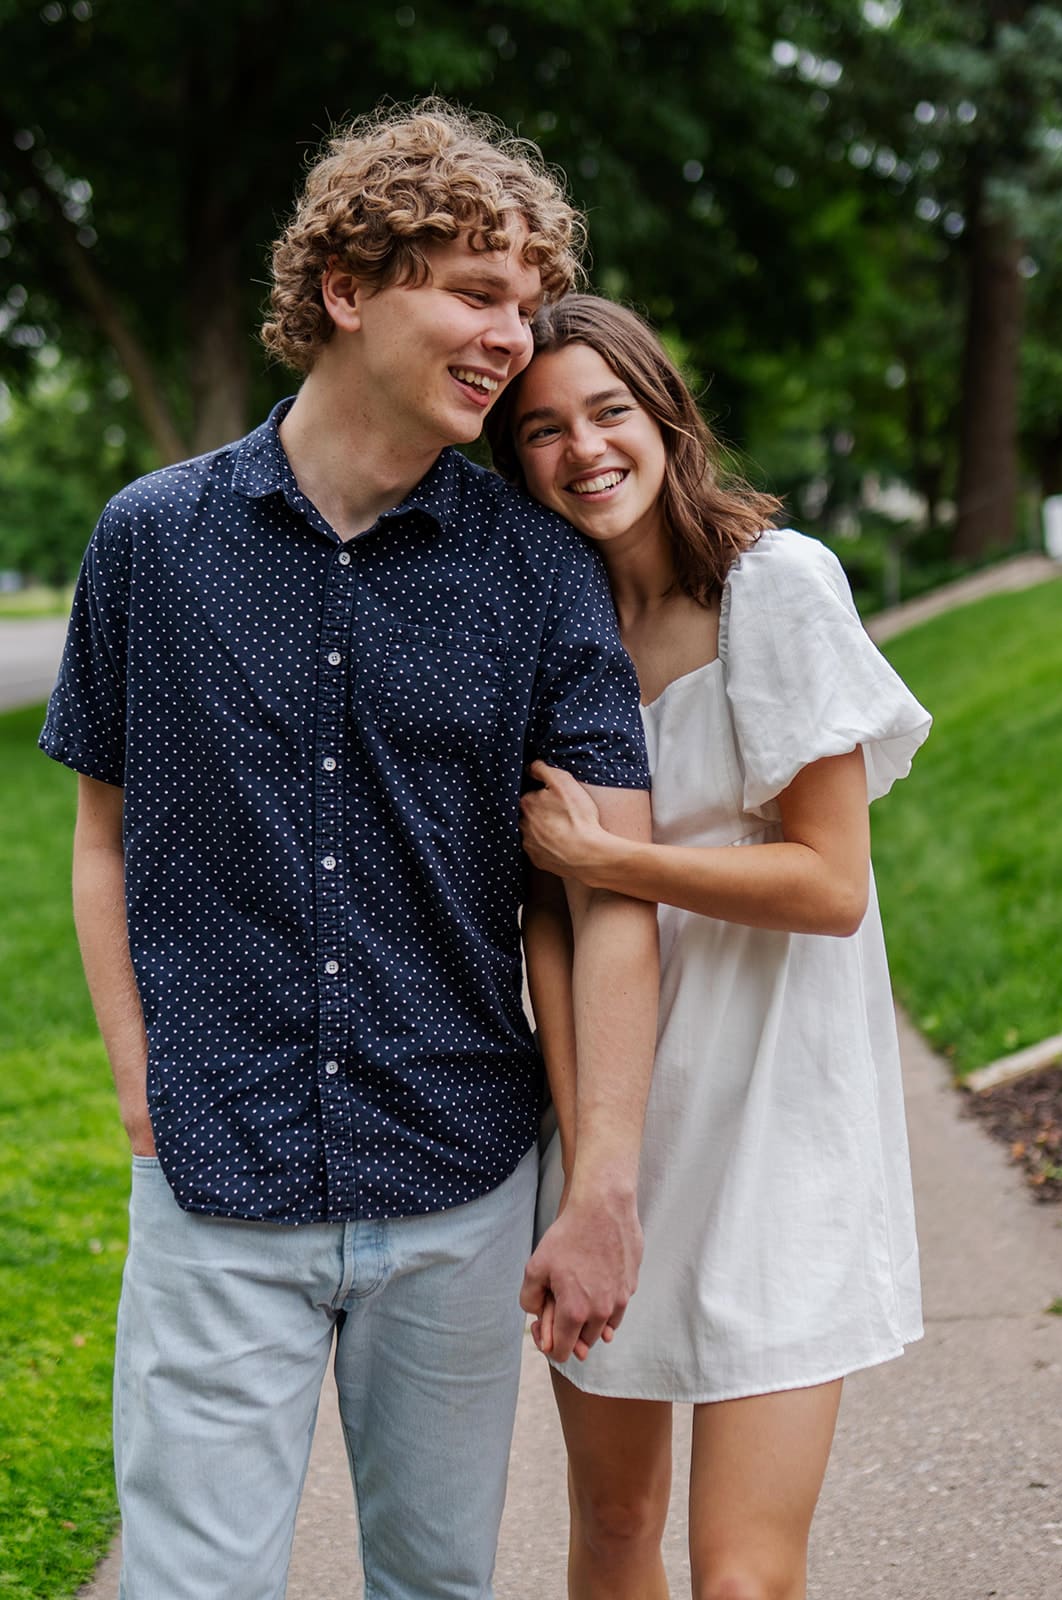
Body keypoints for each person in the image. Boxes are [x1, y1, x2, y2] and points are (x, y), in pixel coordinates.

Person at [40, 107, 659, 1600]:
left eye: (525, 303)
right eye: (475, 292)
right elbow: (102, 834)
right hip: (212, 1175)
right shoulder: (151, 540)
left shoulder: (539, 572)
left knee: (438, 1587)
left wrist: (603, 1189)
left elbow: (610, 891)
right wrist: (139, 1084)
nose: (512, 336)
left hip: (455, 1184)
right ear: (346, 288)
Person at [486, 293, 932, 1600]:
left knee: (741, 1574)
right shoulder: (550, 646)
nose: (584, 451)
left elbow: (828, 880)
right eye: (541, 430)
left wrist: (612, 858)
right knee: (615, 1525)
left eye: (609, 412)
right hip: (622, 1140)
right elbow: (551, 930)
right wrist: (586, 1171)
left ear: (665, 418)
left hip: (783, 1145)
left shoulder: (775, 593)